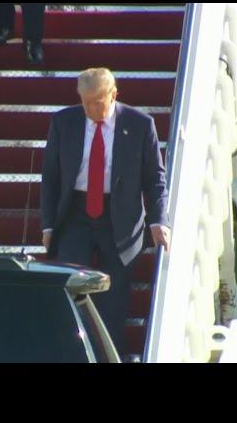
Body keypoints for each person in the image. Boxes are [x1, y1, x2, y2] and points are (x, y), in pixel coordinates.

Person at [40, 68, 170, 355]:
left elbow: (155, 180)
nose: (90, 108)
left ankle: (108, 357)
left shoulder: (140, 125)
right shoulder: (64, 121)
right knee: (69, 286)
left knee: (113, 300)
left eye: (97, 102)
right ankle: (70, 354)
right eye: (85, 102)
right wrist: (47, 226)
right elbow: (50, 176)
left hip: (120, 218)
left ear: (114, 95)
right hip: (75, 212)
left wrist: (159, 220)